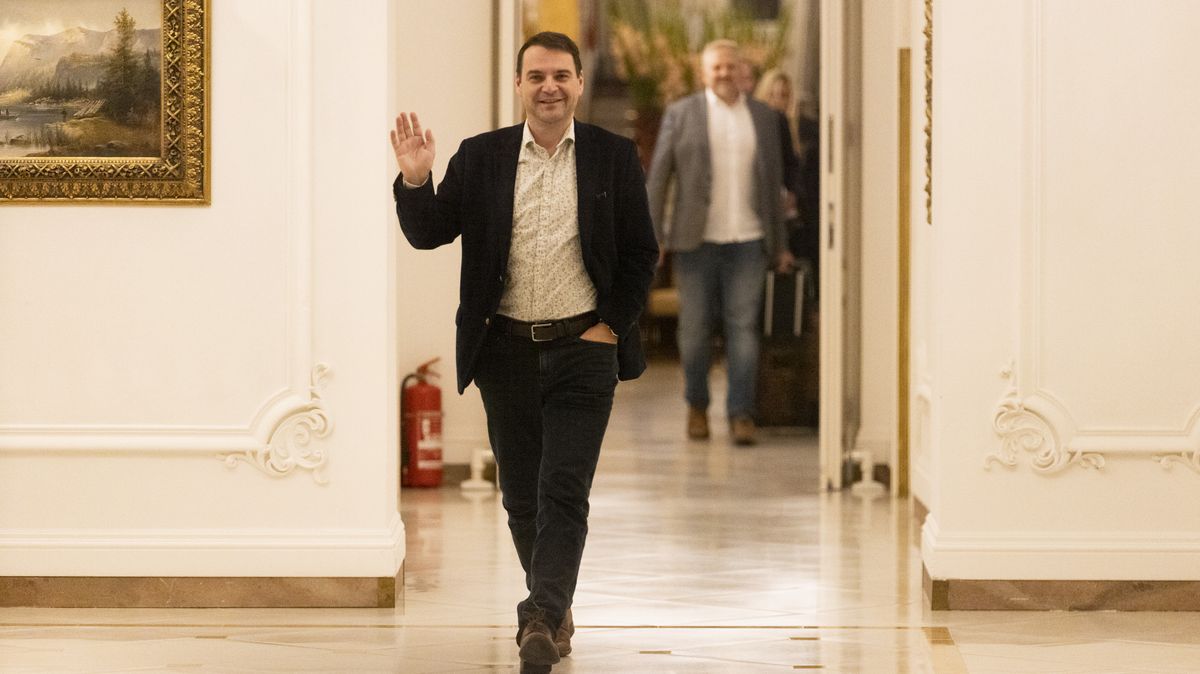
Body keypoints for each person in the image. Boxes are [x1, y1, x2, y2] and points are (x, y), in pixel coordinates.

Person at [389, 31, 659, 672]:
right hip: (504, 351)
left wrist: (610, 327)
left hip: (584, 349)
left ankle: (539, 617)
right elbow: (429, 233)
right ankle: (553, 605)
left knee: (564, 488)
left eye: (561, 75)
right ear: (519, 85)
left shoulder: (612, 156)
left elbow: (641, 254)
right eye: (537, 76)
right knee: (520, 496)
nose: (549, 87)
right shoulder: (481, 157)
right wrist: (416, 179)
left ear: (580, 83)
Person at [646, 39, 794, 446]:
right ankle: (697, 406)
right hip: (695, 243)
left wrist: (780, 244)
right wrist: (653, 236)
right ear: (704, 73)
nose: (725, 73)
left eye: (731, 66)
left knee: (743, 328)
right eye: (717, 68)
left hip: (749, 239)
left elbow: (774, 184)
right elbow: (658, 179)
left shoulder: (762, 117)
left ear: (741, 69)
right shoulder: (682, 114)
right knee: (694, 331)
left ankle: (741, 413)